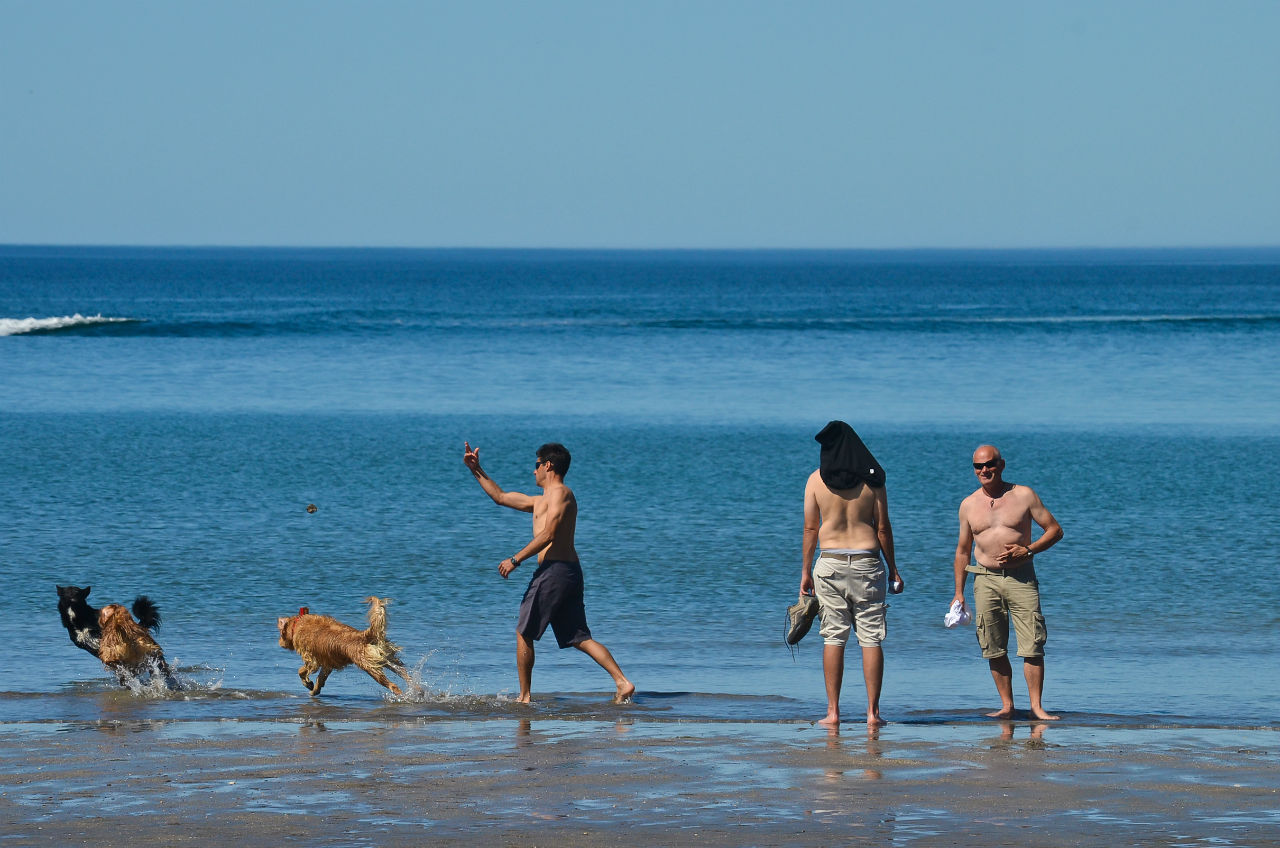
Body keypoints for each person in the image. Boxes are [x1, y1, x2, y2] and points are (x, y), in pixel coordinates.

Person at [463, 440, 634, 705]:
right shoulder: (542, 500)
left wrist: (515, 559)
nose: (533, 471)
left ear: (548, 465)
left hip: (554, 572)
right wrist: (476, 469)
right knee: (579, 638)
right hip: (566, 573)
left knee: (524, 632)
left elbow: (550, 533)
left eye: (536, 465)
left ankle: (524, 697)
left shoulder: (560, 494)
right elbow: (500, 496)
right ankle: (623, 683)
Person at [800, 421, 904, 728]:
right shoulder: (873, 481)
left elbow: (810, 528)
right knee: (871, 639)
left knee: (833, 637)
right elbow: (883, 528)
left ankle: (833, 713)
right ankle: (873, 714)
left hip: (829, 563)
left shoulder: (816, 480)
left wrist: (805, 572)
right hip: (867, 563)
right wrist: (894, 569)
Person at [952, 445, 1063, 720]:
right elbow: (963, 551)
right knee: (992, 645)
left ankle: (1037, 708)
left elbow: (1055, 530)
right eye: (978, 466)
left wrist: (1028, 549)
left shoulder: (1023, 495)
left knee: (1032, 644)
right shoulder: (968, 504)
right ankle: (1007, 706)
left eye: (989, 464)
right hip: (984, 579)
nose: (984, 470)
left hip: (1021, 578)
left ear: (1001, 465)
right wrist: (958, 593)